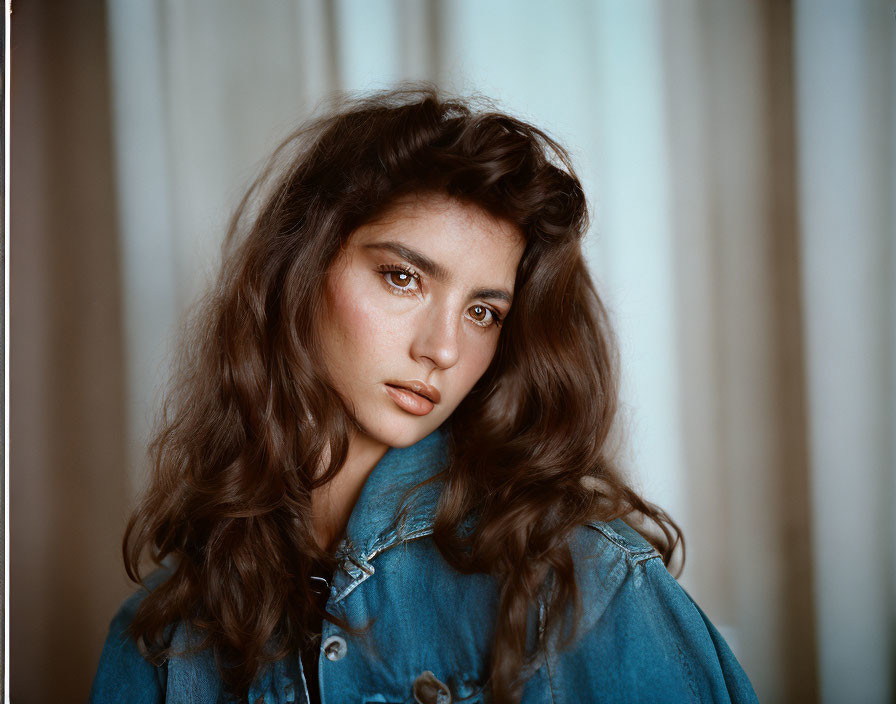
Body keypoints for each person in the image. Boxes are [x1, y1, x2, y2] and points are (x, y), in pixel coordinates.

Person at [89, 84, 758, 704]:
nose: (441, 349)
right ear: (302, 268)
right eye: (403, 278)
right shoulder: (168, 637)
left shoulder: (580, 580)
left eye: (483, 312)